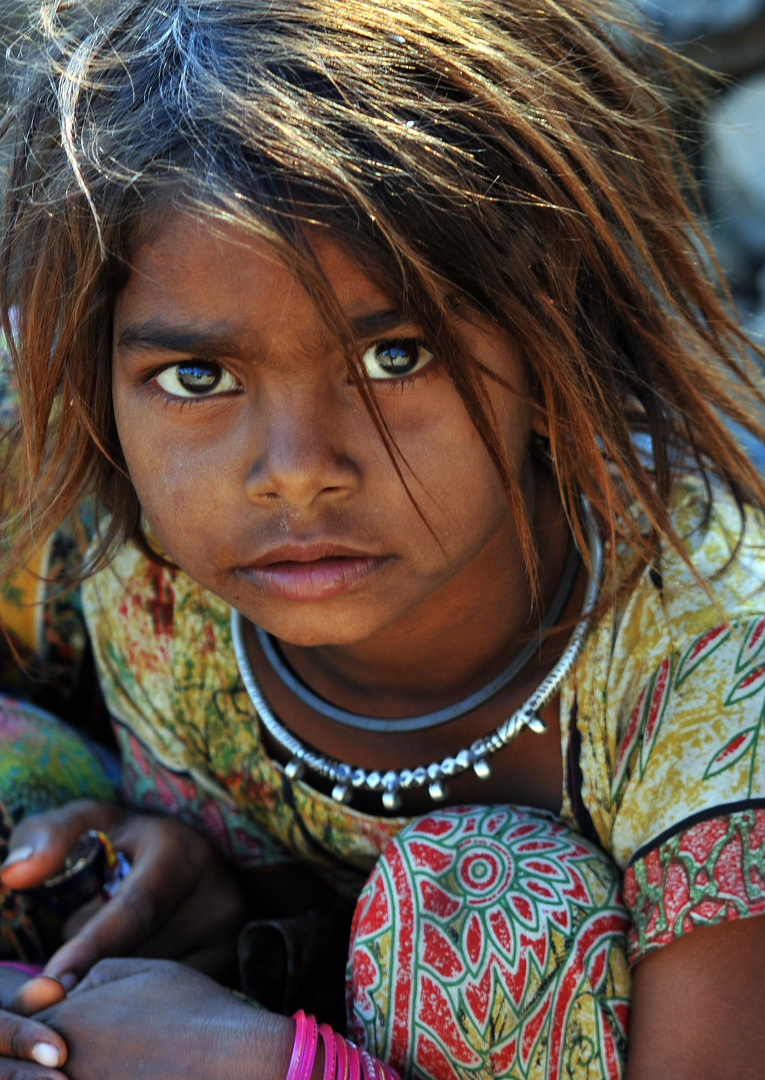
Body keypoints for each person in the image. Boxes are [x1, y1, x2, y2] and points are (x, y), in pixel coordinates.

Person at [0, 0, 764, 1077]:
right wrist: (170, 919)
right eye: (197, 378)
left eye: (396, 356)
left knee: (484, 906)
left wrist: (270, 1067)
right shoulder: (127, 553)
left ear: (554, 343)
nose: (296, 467)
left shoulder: (718, 666)